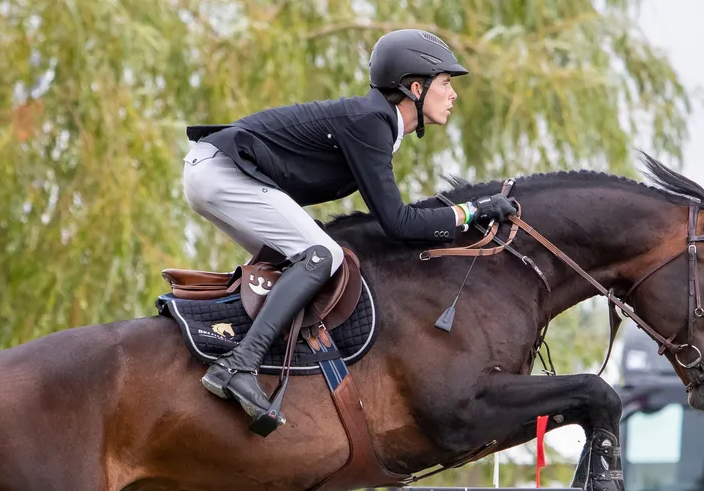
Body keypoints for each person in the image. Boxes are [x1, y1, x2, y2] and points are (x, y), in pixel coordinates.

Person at [180, 29, 517, 430]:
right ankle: (239, 365)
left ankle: (249, 354)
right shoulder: (371, 123)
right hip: (222, 172)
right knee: (323, 256)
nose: (453, 94)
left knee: (305, 265)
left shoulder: (378, 125)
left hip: (214, 171)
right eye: (445, 83)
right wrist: (471, 210)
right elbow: (399, 223)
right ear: (415, 88)